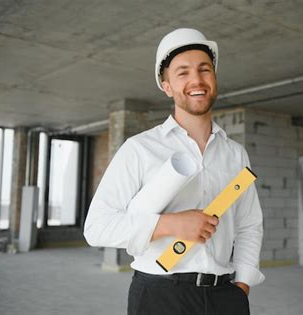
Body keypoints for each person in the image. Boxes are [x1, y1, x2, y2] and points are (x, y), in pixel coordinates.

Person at [84, 28, 264, 315]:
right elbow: (97, 228)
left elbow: (248, 225)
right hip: (159, 297)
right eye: (183, 73)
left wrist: (242, 284)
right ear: (166, 86)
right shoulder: (140, 149)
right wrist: (170, 225)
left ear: (214, 78)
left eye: (205, 70)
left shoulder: (235, 154)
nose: (197, 80)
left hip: (224, 295)